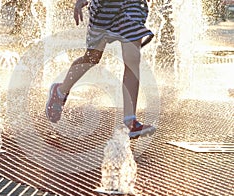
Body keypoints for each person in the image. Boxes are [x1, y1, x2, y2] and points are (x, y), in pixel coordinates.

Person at [46, 0, 156, 139]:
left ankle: (130, 122)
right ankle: (60, 90)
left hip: (132, 5)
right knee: (92, 58)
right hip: (105, 9)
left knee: (132, 59)